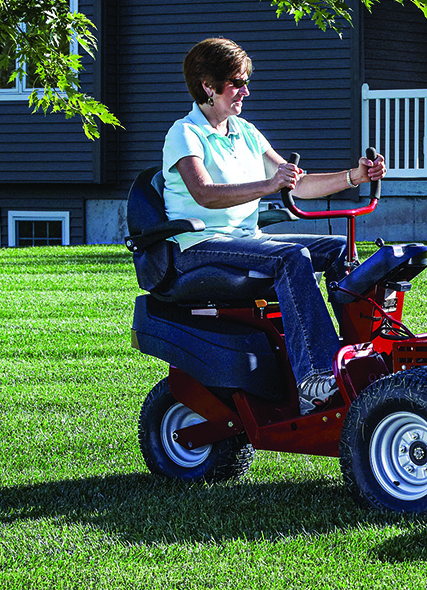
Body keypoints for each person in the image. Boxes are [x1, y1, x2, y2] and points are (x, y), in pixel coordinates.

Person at [162, 37, 385, 411]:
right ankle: (315, 378)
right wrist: (269, 184)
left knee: (338, 249)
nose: (245, 91)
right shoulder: (184, 134)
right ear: (207, 85)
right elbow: (204, 194)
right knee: (289, 256)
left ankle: (361, 356)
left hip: (245, 239)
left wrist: (354, 176)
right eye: (236, 82)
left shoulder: (245, 132)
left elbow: (300, 183)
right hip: (198, 247)